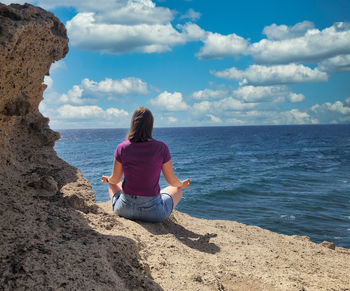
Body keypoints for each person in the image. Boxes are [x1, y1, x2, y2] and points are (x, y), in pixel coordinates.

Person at [101, 107, 190, 222]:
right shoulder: (161, 148)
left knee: (112, 183)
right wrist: (182, 184)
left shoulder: (122, 147)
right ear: (150, 126)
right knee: (177, 188)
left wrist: (107, 180)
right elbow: (171, 181)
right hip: (153, 213)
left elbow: (115, 179)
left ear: (133, 124)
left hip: (124, 209)